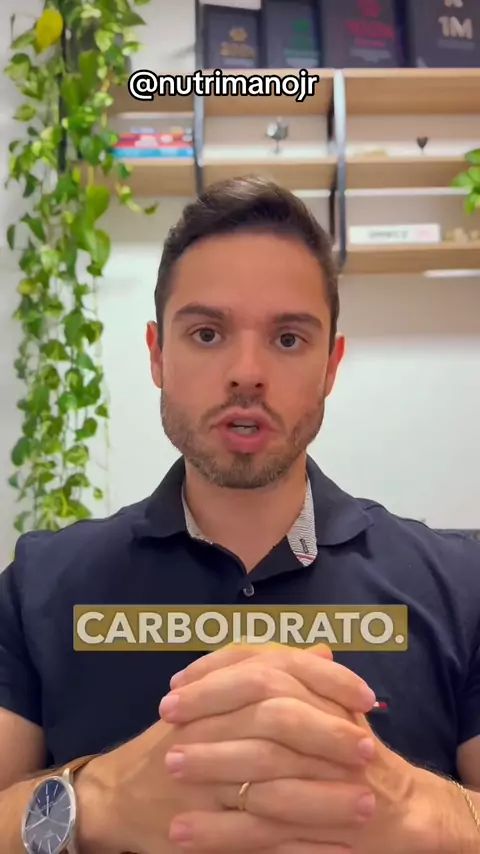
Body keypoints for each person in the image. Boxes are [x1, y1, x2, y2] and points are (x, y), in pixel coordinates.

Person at [0, 175, 479, 854]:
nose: (247, 372)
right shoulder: (39, 585)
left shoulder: (461, 586)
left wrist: (420, 809)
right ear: (157, 355)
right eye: (206, 333)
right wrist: (96, 801)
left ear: (331, 366)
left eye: (288, 339)